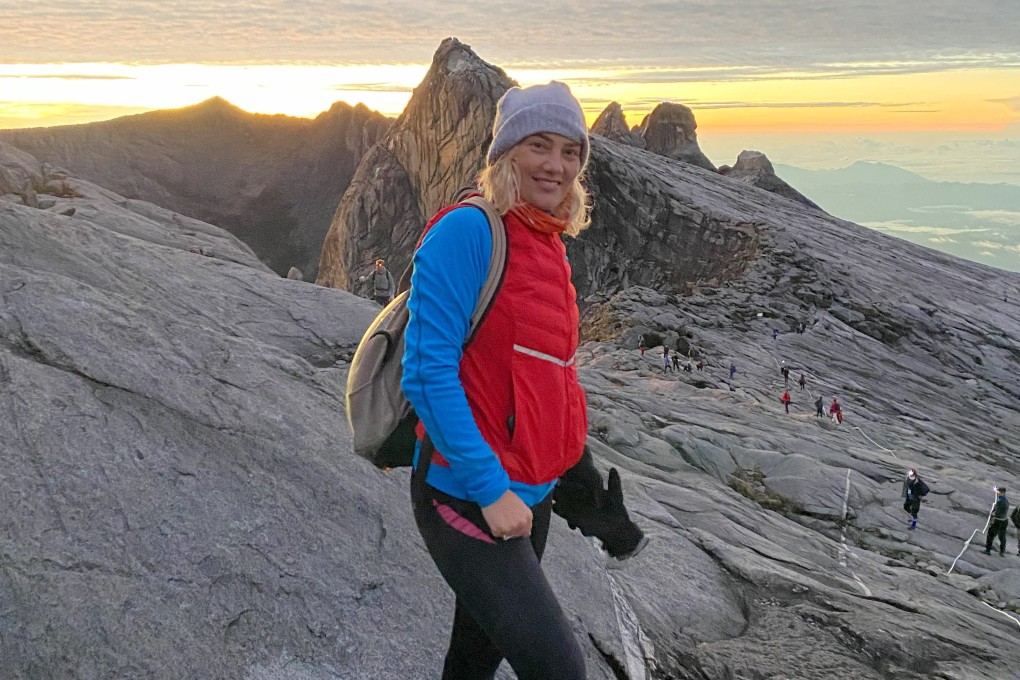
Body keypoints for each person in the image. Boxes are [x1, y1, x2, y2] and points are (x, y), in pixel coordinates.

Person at [400, 81, 644, 680]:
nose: (556, 165)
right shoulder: (467, 232)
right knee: (560, 671)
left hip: (531, 495)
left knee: (473, 660)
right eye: (539, 145)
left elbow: (549, 379)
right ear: (506, 153)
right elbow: (427, 373)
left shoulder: (546, 240)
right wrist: (491, 492)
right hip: (466, 495)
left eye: (570, 151)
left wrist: (582, 492)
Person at [984, 486, 1010, 556]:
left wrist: (992, 515)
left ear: (1002, 493)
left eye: (998, 492)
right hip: (1004, 521)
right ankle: (1002, 551)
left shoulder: (1001, 501)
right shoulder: (1006, 500)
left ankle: (988, 550)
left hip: (998, 521)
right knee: (1002, 536)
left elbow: (998, 513)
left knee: (990, 535)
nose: (997, 493)